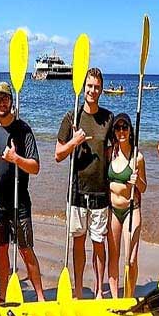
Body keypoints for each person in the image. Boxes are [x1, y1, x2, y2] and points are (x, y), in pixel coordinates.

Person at [55, 67, 113, 299]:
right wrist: (74, 142)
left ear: (101, 89)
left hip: (100, 192)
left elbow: (113, 153)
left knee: (99, 243)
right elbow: (58, 154)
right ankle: (78, 291)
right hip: (77, 191)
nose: (92, 90)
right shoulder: (72, 117)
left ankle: (99, 291)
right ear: (83, 86)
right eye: (89, 86)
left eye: (97, 86)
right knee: (78, 244)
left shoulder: (108, 118)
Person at [0, 82, 45, 302]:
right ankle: (2, 295)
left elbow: (36, 167)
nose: (2, 102)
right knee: (1, 249)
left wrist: (16, 159)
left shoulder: (24, 130)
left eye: (5, 98)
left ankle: (40, 297)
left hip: (20, 202)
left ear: (11, 101)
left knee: (25, 249)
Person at [107, 113, 147, 297]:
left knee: (130, 259)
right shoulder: (110, 153)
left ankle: (129, 296)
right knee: (113, 256)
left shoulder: (137, 157)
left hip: (132, 210)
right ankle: (115, 297)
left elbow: (144, 188)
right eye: (118, 128)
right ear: (114, 131)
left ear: (130, 131)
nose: (121, 131)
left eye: (125, 127)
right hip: (113, 211)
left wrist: (137, 180)